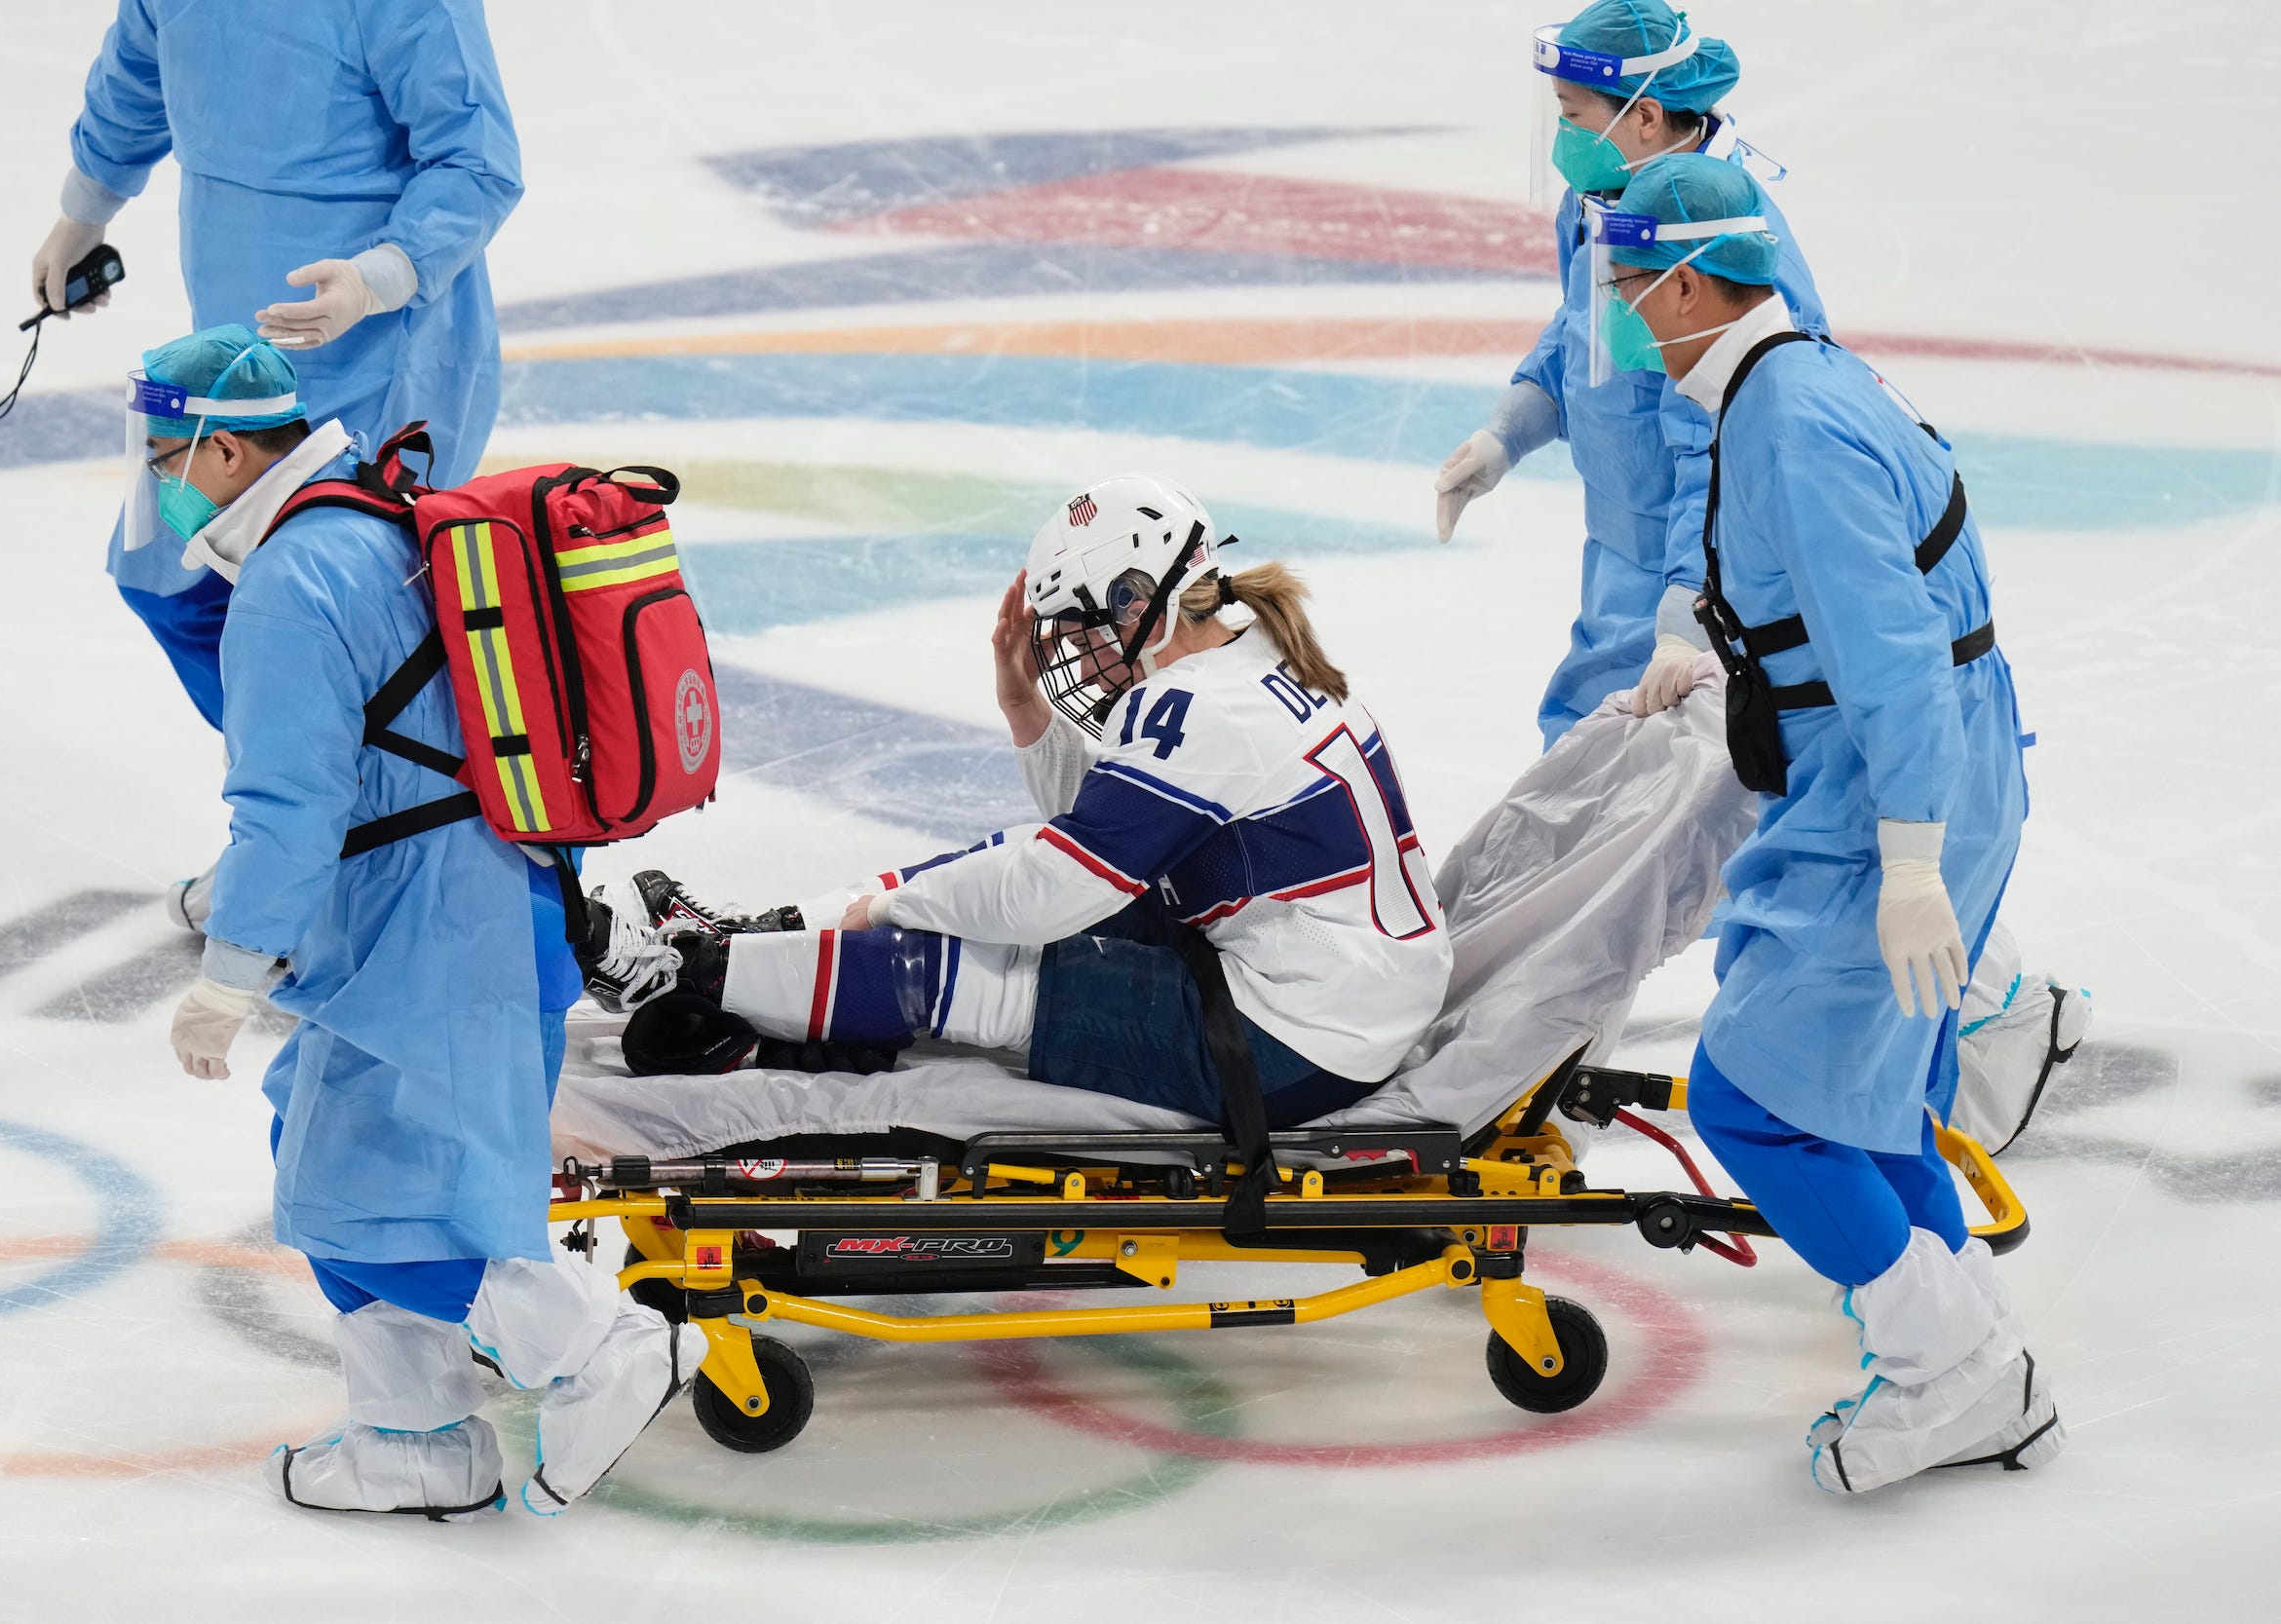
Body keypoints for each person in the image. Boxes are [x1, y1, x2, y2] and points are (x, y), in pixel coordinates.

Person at [146, 325, 695, 1520]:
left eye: (162, 453)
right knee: (345, 1166)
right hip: (490, 907)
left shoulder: (294, 579)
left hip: (433, 929)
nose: (156, 481)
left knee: (376, 1196)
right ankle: (413, 1440)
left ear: (225, 448)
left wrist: (228, 973)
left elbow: (287, 806)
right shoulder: (377, 523)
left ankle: (595, 1344)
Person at [1602, 157, 2062, 1492]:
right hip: (1902, 773)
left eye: (1634, 281)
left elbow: (1896, 652)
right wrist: (1711, 640)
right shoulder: (1794, 379)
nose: (1625, 306)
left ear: (1689, 279)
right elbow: (1833, 593)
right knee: (1863, 1095)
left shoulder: (1789, 421)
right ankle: (1966, 1337)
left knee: (1755, 1101)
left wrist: (1911, 857)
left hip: (1891, 789)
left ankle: (1955, 1371)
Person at [589, 476, 1453, 1131]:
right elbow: (1105, 834)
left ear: (1133, 598)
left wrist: (886, 906)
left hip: (1296, 1042)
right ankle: (751, 936)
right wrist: (1029, 717)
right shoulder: (1245, 655)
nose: (1075, 651)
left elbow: (1055, 890)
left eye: (1082, 627)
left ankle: (695, 967)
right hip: (1333, 995)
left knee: (981, 976)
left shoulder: (1202, 707)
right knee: (995, 870)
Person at [32, 0, 522, 923]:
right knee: (166, 574)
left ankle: (345, 855)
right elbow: (140, 69)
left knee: (337, 624)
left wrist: (382, 274)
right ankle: (323, 827)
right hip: (239, 352)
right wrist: (85, 209)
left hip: (385, 358)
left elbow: (477, 158)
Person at [1433, 0, 1827, 748]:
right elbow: (1586, 321)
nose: (1564, 138)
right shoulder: (1604, 202)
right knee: (1584, 739)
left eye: (1573, 114)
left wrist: (1688, 604)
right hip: (1623, 536)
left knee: (1656, 771)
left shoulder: (1713, 258)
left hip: (1701, 562)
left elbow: (1728, 456)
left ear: (1644, 117)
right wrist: (1512, 426)